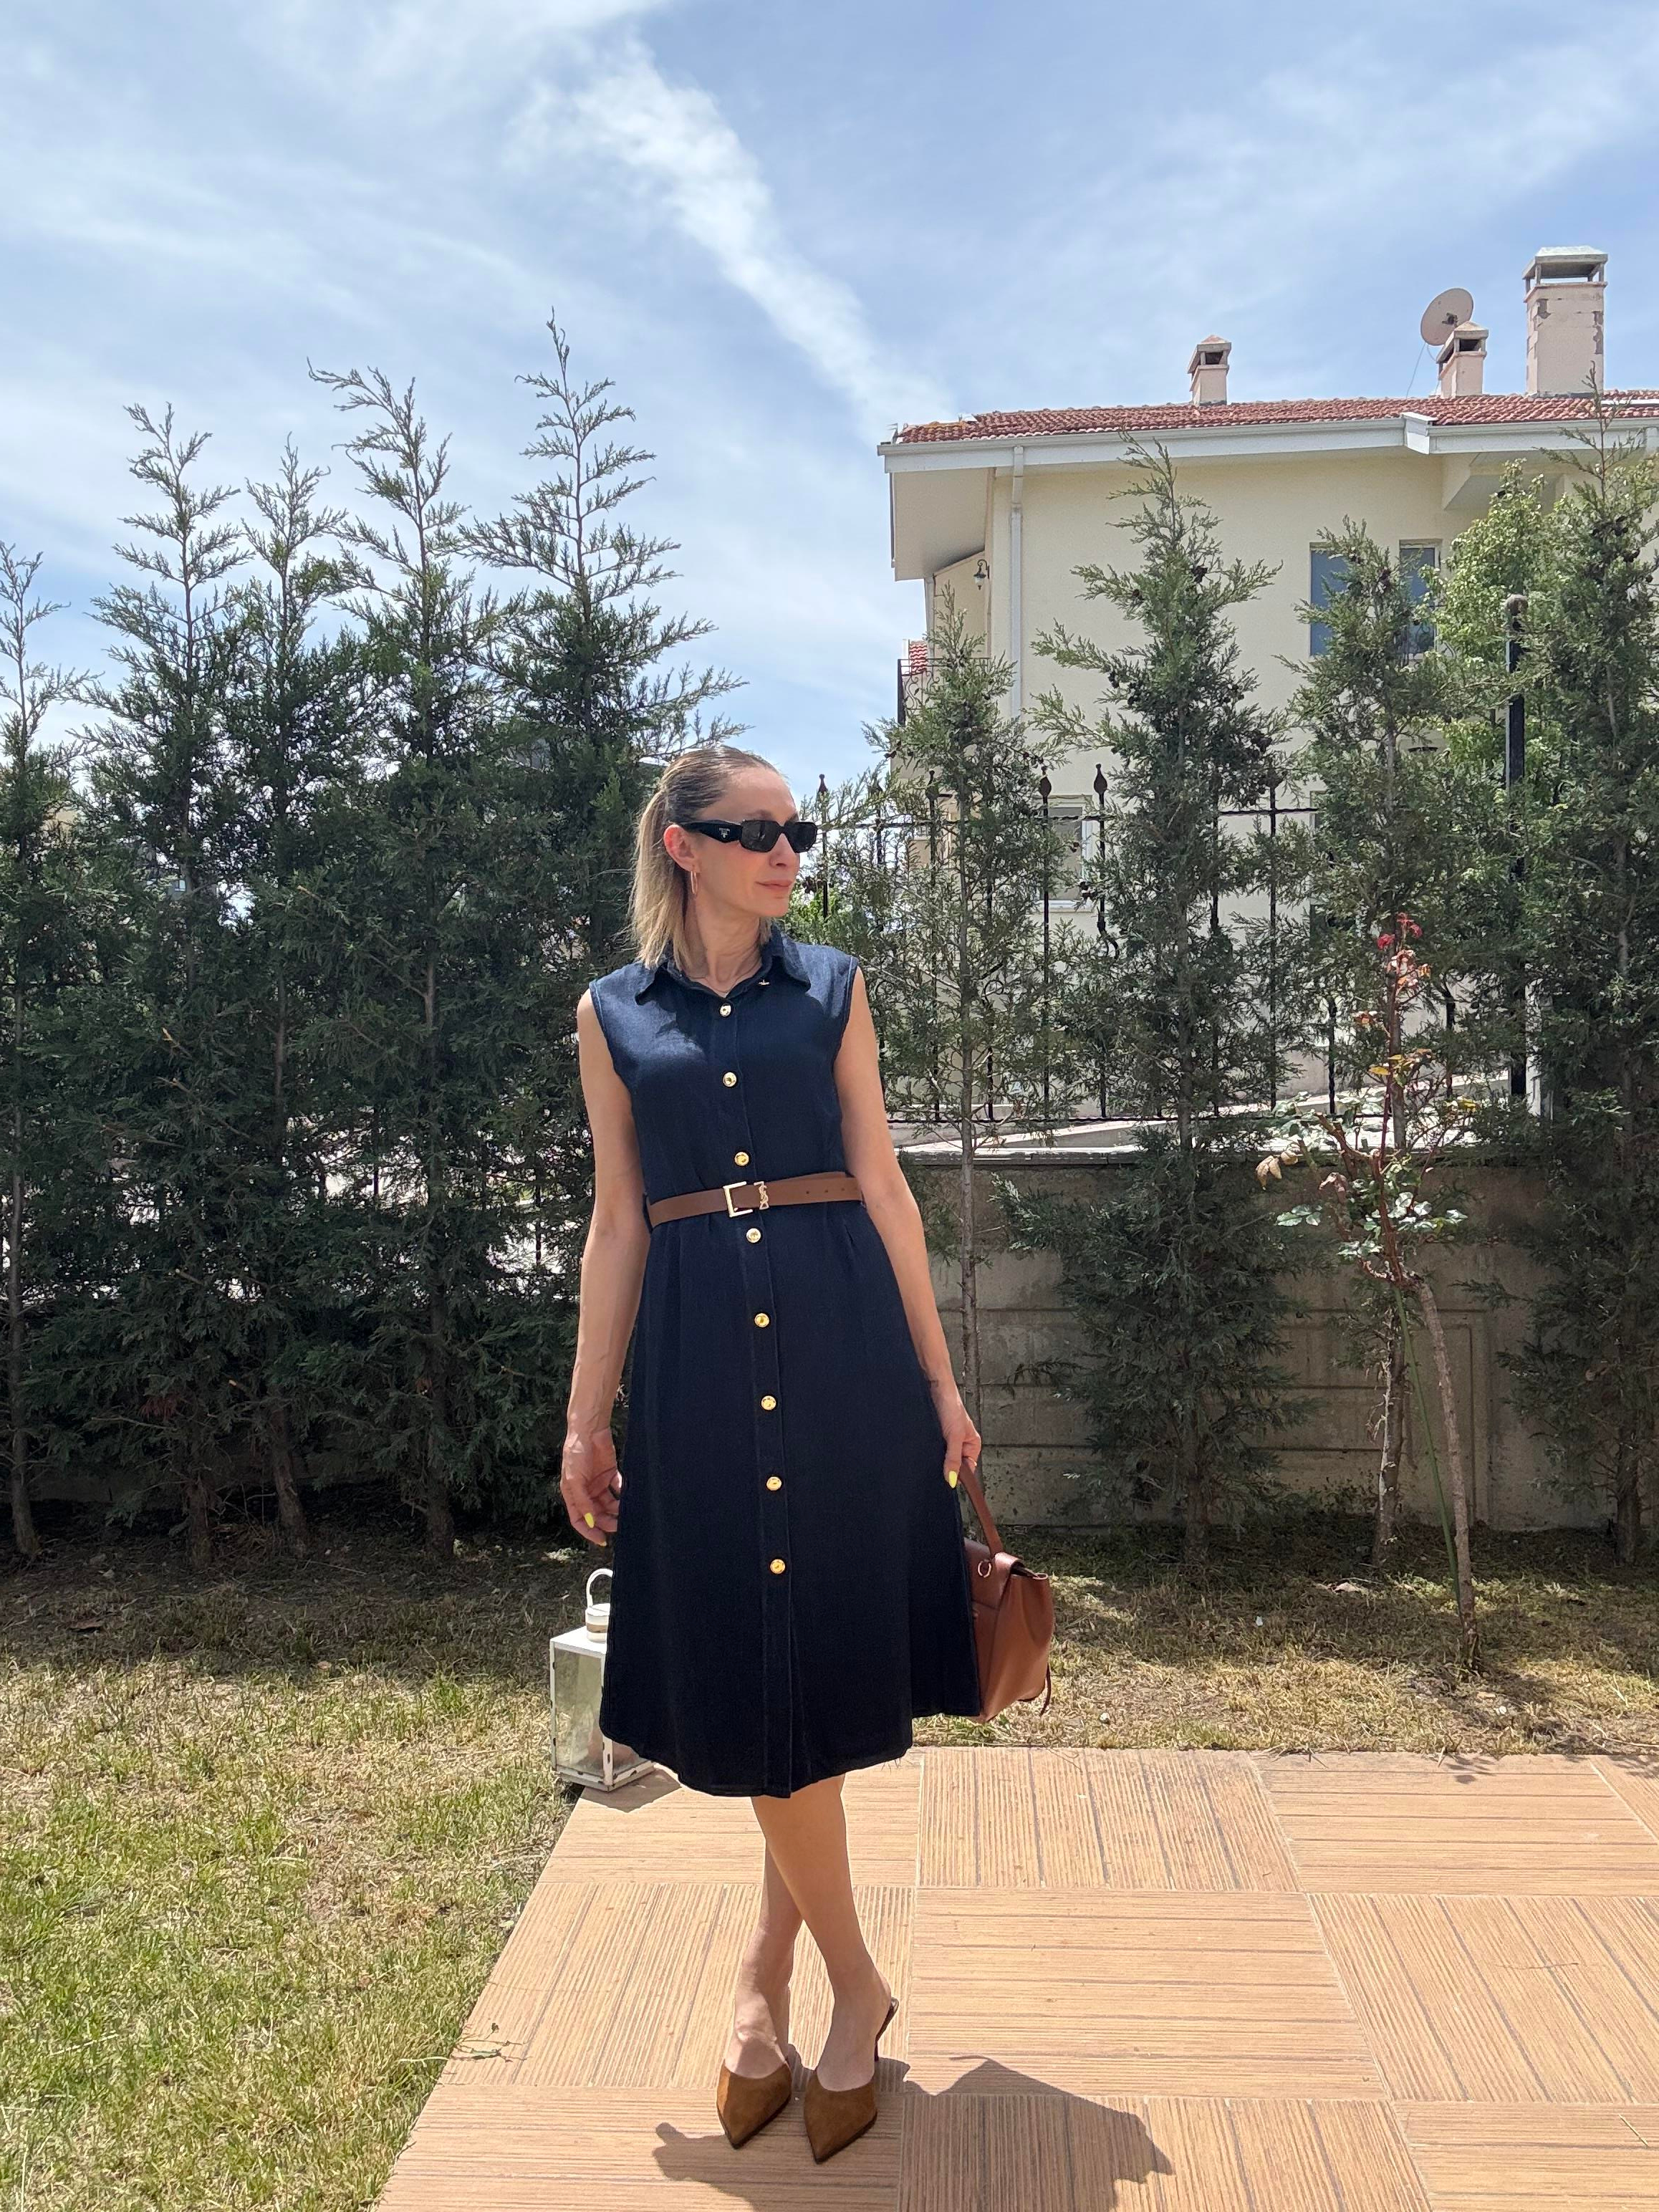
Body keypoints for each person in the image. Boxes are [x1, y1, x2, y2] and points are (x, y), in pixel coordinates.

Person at [561, 743, 984, 2163]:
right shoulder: (612, 1014)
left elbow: (887, 1184)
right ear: (682, 844)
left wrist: (941, 1382)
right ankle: (842, 1980)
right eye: (754, 830)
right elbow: (617, 1221)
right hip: (696, 1367)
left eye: (797, 828)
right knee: (755, 1665)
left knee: (807, 1663)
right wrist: (586, 1418)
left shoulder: (835, 990)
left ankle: (773, 1983)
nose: (785, 850)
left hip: (841, 1349)